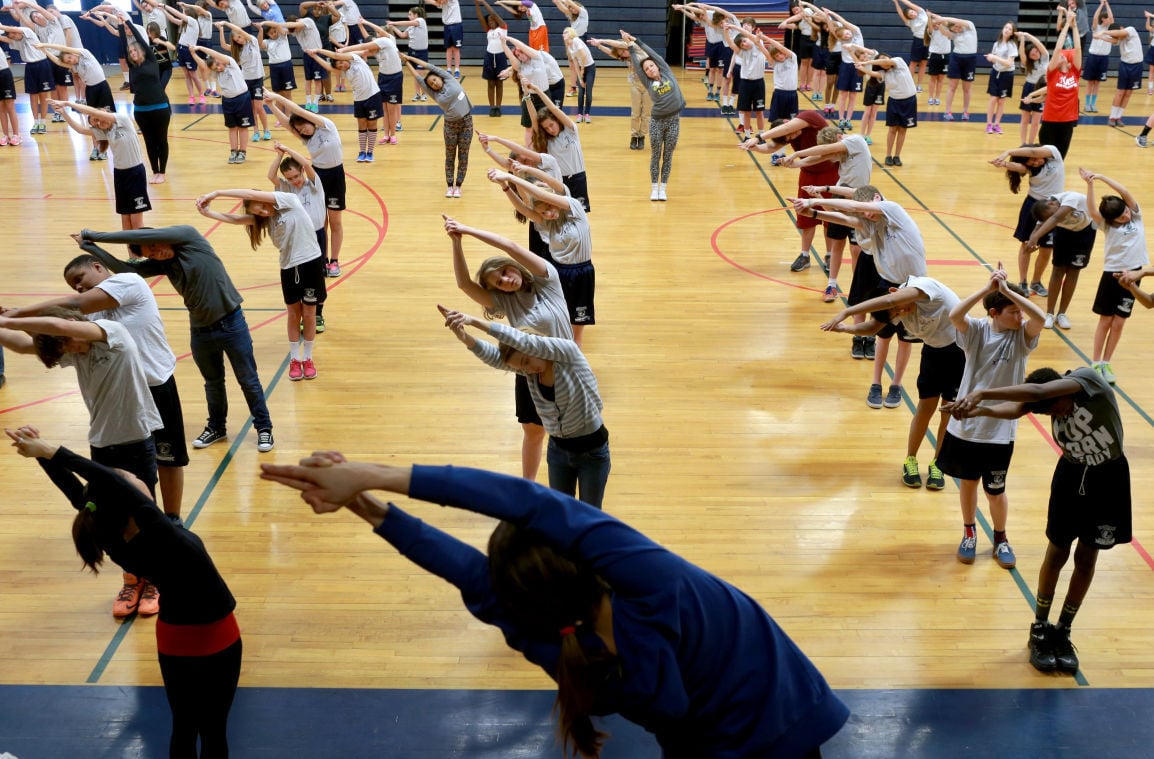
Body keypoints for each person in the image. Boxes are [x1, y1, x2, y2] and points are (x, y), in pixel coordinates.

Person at [260, 455, 850, 757]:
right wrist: (372, 476)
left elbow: (460, 569)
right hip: (784, 712)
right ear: (585, 561)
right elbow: (527, 501)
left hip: (708, 740)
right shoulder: (649, 582)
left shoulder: (541, 633)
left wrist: (368, 505)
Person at [9, 429, 242, 754]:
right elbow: (108, 483)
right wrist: (51, 450)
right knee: (214, 732)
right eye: (131, 477)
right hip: (217, 639)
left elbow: (80, 495)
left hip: (173, 639)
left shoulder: (114, 537)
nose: (135, 476)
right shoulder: (163, 534)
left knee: (184, 726)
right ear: (131, 500)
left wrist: (43, 458)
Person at [943, 366, 1131, 675]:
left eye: (1055, 407)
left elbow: (1038, 393)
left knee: (1087, 556)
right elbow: (1019, 408)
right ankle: (1041, 627)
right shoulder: (1046, 400)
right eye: (1048, 414)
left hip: (1108, 478)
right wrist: (977, 410)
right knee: (1057, 551)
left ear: (1062, 389)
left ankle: (1064, 629)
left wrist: (981, 392)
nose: (1055, 413)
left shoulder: (1089, 382)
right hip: (1071, 476)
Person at [5, 252, 189, 524]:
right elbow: (31, 343)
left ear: (98, 266)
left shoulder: (127, 284)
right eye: (72, 285)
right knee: (103, 499)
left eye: (79, 279)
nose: (77, 288)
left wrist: (14, 316)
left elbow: (66, 313)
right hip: (105, 438)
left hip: (155, 387)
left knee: (168, 457)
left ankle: (171, 521)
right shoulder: (82, 340)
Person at [77, 225, 276, 452]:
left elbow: (138, 235)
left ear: (162, 237)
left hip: (232, 324)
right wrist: (89, 247)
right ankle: (217, 427)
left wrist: (94, 234)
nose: (156, 253)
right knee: (213, 383)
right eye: (150, 254)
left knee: (248, 380)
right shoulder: (165, 264)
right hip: (200, 330)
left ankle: (264, 428)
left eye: (154, 245)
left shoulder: (191, 239)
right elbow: (126, 270)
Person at [443, 215, 572, 483]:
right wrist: (457, 242)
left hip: (566, 370)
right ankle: (528, 488)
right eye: (499, 283)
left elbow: (510, 246)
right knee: (533, 432)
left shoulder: (547, 281)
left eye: (505, 272)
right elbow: (465, 285)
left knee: (567, 435)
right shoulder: (506, 303)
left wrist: (466, 228)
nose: (506, 280)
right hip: (530, 373)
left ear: (511, 267)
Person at [440, 304, 609, 507]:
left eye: (526, 361)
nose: (526, 369)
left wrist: (474, 321)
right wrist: (464, 337)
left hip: (592, 451)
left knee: (591, 515)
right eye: (521, 367)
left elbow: (523, 341)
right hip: (558, 452)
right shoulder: (529, 372)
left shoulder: (567, 354)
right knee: (563, 514)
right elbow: (495, 358)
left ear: (533, 347)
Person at [941, 268, 1044, 568]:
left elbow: (1040, 319)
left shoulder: (1022, 338)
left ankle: (1001, 537)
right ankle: (969, 532)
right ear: (995, 313)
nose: (1021, 317)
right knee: (969, 484)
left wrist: (1012, 293)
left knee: (995, 491)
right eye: (1014, 312)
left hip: (1000, 431)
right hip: (967, 428)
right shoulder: (976, 332)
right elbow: (954, 315)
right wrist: (987, 289)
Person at [196, 188, 326, 381]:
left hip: (311, 264)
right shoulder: (268, 220)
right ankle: (294, 359)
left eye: (263, 207)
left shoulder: (288, 200)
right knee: (293, 314)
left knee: (309, 313)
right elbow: (236, 220)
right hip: (288, 268)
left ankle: (307, 358)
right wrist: (208, 213)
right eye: (259, 213)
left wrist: (215, 193)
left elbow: (250, 194)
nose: (264, 213)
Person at [492, 168, 595, 344]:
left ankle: (575, 363)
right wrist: (505, 185)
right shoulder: (547, 222)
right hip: (558, 273)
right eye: (542, 212)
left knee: (576, 329)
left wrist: (511, 176)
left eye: (548, 208)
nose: (548, 214)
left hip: (582, 273)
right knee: (557, 324)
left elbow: (543, 196)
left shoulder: (575, 209)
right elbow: (524, 209)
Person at [740, 110, 840, 277]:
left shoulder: (810, 117)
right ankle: (804, 255)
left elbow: (787, 130)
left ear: (788, 122)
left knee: (828, 215)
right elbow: (772, 146)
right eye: (789, 139)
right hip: (808, 173)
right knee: (805, 214)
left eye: (790, 133)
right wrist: (755, 147)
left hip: (830, 173)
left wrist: (758, 137)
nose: (793, 137)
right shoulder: (788, 134)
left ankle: (829, 255)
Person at [779, 126, 870, 304]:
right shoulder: (840, 147)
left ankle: (857, 288)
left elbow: (823, 150)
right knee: (837, 244)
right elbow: (821, 156)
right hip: (839, 195)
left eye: (832, 146)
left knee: (856, 249)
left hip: (858, 198)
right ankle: (831, 285)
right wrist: (795, 164)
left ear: (838, 136)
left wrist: (796, 154)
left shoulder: (855, 141)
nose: (832, 150)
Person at [264, 90, 345, 276]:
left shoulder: (327, 126)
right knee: (320, 221)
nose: (303, 131)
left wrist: (277, 97)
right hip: (318, 176)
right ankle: (322, 258)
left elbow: (296, 110)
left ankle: (335, 261)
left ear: (310, 120)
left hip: (335, 176)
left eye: (304, 127)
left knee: (335, 222)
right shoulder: (306, 138)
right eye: (299, 130)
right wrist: (271, 106)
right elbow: (287, 125)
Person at [1081, 169, 1148, 385]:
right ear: (1112, 220)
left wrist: (1100, 177)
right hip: (1112, 275)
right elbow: (1092, 210)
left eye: (1126, 212)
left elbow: (1124, 191)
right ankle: (1095, 363)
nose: (1126, 216)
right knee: (1105, 320)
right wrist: (1089, 185)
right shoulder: (1107, 225)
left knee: (1119, 322)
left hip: (1134, 274)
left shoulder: (1135, 215)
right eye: (1121, 217)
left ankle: (1106, 363)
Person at [94, 4, 172, 183]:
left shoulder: (151, 60)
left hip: (159, 106)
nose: (132, 52)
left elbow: (138, 39)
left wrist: (125, 20)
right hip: (141, 110)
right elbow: (123, 42)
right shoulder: (132, 66)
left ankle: (163, 171)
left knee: (161, 140)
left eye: (135, 50)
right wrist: (120, 26)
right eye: (130, 51)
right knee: (149, 142)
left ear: (142, 51)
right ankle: (155, 171)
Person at [50, 100, 150, 229]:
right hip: (120, 176)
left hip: (135, 174)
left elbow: (93, 112)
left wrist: (68, 104)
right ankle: (130, 250)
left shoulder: (122, 120)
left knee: (136, 223)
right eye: (95, 123)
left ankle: (141, 249)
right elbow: (80, 129)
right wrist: (64, 113)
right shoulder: (104, 132)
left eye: (97, 118)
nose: (98, 123)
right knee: (125, 221)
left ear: (103, 112)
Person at [990, 143, 1064, 297]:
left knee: (1047, 248)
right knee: (1026, 244)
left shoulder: (1053, 153)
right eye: (1031, 162)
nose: (1036, 162)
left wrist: (1007, 150)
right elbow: (1017, 167)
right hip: (1033, 206)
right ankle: (1022, 282)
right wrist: (1003, 163)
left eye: (1036, 159)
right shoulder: (1028, 169)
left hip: (1053, 209)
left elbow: (1033, 151)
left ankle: (1036, 283)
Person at [623, 31, 685, 202]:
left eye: (651, 66)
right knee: (656, 154)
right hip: (657, 122)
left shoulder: (666, 72)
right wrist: (630, 47)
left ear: (657, 66)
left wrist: (637, 41)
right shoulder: (648, 82)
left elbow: (654, 54)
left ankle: (663, 188)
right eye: (647, 69)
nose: (650, 69)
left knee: (668, 155)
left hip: (674, 121)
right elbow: (636, 63)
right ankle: (654, 188)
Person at [401, 53, 474, 198]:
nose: (434, 84)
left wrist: (409, 58)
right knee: (450, 156)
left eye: (434, 80)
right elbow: (418, 78)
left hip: (466, 123)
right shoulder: (434, 94)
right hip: (450, 126)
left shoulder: (449, 78)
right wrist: (406, 64)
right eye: (432, 84)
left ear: (439, 77)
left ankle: (458, 186)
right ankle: (449, 186)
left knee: (463, 156)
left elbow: (427, 65)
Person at [1026, 189, 1097, 331]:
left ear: (1052, 203)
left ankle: (1062, 314)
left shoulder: (1071, 198)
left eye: (1052, 213)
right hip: (1064, 234)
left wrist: (1036, 237)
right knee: (1057, 270)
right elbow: (1040, 225)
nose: (1051, 216)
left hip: (1085, 232)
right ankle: (1050, 313)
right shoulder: (1045, 209)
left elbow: (1055, 219)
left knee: (1073, 271)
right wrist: (1032, 240)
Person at [306, 48, 382, 162]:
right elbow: (328, 67)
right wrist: (314, 57)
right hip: (359, 99)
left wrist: (318, 50)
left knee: (372, 124)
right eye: (339, 66)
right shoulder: (344, 71)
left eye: (342, 62)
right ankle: (362, 152)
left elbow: (336, 55)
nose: (342, 66)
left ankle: (370, 152)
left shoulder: (356, 60)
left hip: (373, 96)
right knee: (362, 125)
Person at [192, 40, 253, 163]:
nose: (219, 68)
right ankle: (233, 151)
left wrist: (200, 48)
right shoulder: (216, 71)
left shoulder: (231, 63)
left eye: (218, 64)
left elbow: (215, 54)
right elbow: (203, 67)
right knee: (232, 127)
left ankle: (243, 152)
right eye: (216, 68)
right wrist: (193, 54)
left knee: (243, 127)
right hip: (228, 101)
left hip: (242, 98)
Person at [588, 36, 649, 149]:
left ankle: (642, 136)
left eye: (623, 51)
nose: (623, 54)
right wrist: (599, 46)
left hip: (649, 86)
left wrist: (602, 40)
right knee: (635, 113)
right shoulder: (627, 58)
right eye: (621, 53)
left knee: (646, 114)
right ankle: (634, 136)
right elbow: (612, 53)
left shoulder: (636, 49)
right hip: (636, 85)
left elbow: (618, 45)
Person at [855, 53, 916, 166]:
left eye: (884, 58)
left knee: (903, 130)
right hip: (894, 102)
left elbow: (886, 62)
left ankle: (897, 156)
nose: (884, 61)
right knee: (892, 129)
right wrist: (862, 67)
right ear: (880, 66)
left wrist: (867, 62)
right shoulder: (883, 73)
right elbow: (871, 73)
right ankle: (888, 155)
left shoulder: (899, 61)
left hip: (909, 101)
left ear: (889, 57)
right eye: (881, 61)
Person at [1040, 7, 1082, 157]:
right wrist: (1066, 25)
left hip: (1067, 122)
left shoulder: (1075, 73)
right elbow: (1058, 48)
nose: (1061, 55)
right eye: (1059, 56)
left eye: (1064, 55)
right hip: (1050, 121)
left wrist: (1074, 25)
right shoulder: (1052, 74)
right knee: (1044, 160)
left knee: (1059, 159)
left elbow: (1078, 49)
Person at [0, 21, 54, 136]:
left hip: (42, 64)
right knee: (33, 96)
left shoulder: (28, 32)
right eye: (11, 35)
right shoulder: (17, 42)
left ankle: (43, 123)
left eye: (14, 33)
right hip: (30, 67)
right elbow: (6, 40)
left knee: (43, 95)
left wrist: (2, 26)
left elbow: (9, 30)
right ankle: (36, 122)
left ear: (16, 29)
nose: (13, 36)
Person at [722, 19, 768, 141]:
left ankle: (761, 135)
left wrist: (733, 26)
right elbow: (731, 44)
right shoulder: (743, 53)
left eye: (744, 41)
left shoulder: (758, 44)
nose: (744, 44)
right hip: (746, 84)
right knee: (746, 111)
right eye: (742, 44)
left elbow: (747, 35)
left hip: (759, 83)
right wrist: (726, 32)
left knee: (759, 112)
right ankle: (747, 136)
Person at [1093, 20, 1144, 126]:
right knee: (1120, 92)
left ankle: (1119, 117)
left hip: (1137, 66)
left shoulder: (1130, 30)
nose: (1118, 38)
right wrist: (1100, 37)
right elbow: (1114, 41)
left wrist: (1103, 32)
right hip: (1125, 66)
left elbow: (1119, 34)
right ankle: (1112, 117)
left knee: (1128, 93)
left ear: (1120, 28)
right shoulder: (1118, 38)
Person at [934, 13, 977, 121]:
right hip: (956, 59)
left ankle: (966, 111)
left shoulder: (970, 26)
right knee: (952, 86)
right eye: (955, 28)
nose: (957, 28)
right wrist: (938, 23)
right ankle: (947, 111)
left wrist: (942, 18)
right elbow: (944, 32)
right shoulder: (954, 35)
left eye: (958, 26)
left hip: (970, 60)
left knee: (966, 88)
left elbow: (954, 20)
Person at [475, 0, 509, 118]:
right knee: (490, 84)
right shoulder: (488, 30)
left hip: (500, 57)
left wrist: (483, 2)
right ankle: (492, 107)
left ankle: (498, 107)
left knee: (499, 83)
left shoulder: (503, 28)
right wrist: (477, 4)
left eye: (493, 19)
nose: (491, 22)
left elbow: (493, 13)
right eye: (489, 21)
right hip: (489, 57)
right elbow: (480, 17)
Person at [388, 5, 430, 101]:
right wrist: (392, 27)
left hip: (421, 53)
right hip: (412, 52)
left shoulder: (421, 21)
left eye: (410, 14)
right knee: (415, 75)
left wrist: (394, 22)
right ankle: (417, 94)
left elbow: (406, 22)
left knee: (420, 75)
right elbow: (402, 35)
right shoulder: (411, 26)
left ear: (416, 15)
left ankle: (424, 94)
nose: (408, 16)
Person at [984, 21, 1018, 134]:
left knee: (1001, 101)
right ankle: (989, 124)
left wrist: (995, 58)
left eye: (1010, 29)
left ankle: (997, 124)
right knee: (993, 99)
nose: (1007, 30)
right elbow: (994, 58)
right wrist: (990, 58)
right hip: (995, 72)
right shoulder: (996, 44)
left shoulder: (1012, 45)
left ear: (1012, 33)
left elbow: (1008, 63)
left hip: (1006, 75)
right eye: (1006, 27)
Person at [1017, 31, 1049, 144]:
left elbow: (1038, 43)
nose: (1035, 54)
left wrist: (1027, 35)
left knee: (1036, 120)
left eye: (1035, 51)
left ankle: (1031, 143)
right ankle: (1023, 143)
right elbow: (1022, 54)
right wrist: (1021, 40)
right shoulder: (1027, 64)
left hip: (1041, 88)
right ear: (1029, 57)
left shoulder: (1045, 58)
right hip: (1029, 87)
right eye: (1032, 54)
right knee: (1025, 119)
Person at [1082, 0, 1114, 113]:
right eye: (1107, 19)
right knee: (1090, 82)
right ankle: (1087, 104)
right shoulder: (1097, 28)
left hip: (1104, 58)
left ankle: (1093, 104)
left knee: (1097, 83)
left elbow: (1112, 17)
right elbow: (1095, 18)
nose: (1109, 20)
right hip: (1093, 57)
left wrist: (1107, 3)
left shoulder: (1110, 30)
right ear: (1103, 19)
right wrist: (1101, 4)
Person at [892, 0, 929, 91]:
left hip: (928, 40)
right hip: (918, 41)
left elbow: (909, 4)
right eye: (910, 15)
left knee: (924, 63)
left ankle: (919, 85)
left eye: (912, 12)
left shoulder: (922, 12)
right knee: (913, 63)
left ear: (914, 10)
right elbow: (901, 13)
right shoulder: (910, 22)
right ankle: (908, 84)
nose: (912, 14)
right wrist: (896, 3)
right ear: (909, 17)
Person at [563, 26, 595, 123]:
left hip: (589, 67)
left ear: (571, 34)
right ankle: (580, 114)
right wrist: (580, 79)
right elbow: (575, 63)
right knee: (580, 92)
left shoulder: (576, 41)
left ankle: (587, 114)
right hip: (581, 68)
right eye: (563, 33)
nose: (563, 34)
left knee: (588, 93)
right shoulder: (569, 46)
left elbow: (584, 56)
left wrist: (583, 71)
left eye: (566, 32)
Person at [429, 0, 463, 78]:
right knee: (448, 48)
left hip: (456, 24)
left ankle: (457, 70)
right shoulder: (442, 3)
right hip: (447, 25)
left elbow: (441, 1)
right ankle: (449, 69)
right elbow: (434, 2)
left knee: (456, 48)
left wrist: (436, 1)